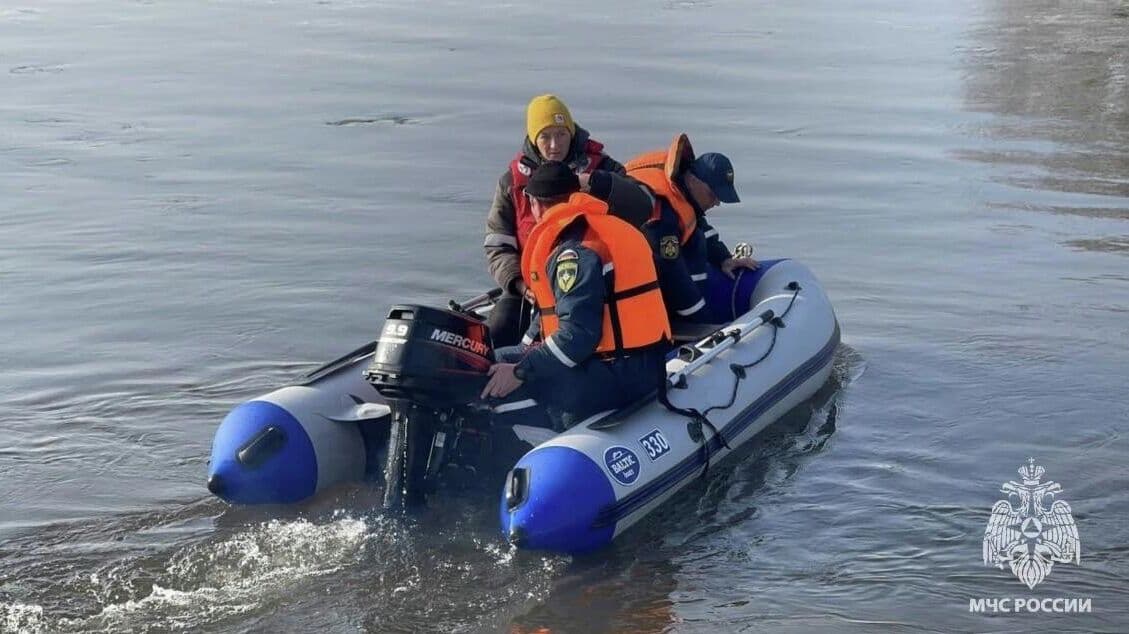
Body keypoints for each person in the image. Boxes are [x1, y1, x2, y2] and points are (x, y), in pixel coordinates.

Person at [481, 162, 670, 430]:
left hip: (618, 375)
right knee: (495, 360)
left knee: (494, 383)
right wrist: (523, 353)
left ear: (534, 204)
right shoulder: (601, 228)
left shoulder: (574, 252)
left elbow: (579, 334)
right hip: (639, 365)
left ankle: (528, 441)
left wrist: (520, 371)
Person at [483, 94, 628, 347]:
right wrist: (519, 284)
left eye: (561, 134)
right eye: (545, 136)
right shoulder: (511, 183)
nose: (554, 145)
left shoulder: (604, 169)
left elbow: (640, 204)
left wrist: (597, 183)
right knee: (496, 333)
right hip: (530, 287)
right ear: (533, 139)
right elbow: (497, 246)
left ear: (572, 133)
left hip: (594, 283)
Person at [625, 134, 760, 324]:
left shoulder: (680, 189)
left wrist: (724, 258)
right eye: (713, 195)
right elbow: (671, 273)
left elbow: (698, 224)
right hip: (633, 287)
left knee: (696, 239)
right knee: (693, 246)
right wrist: (702, 322)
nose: (717, 202)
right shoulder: (662, 216)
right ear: (694, 180)